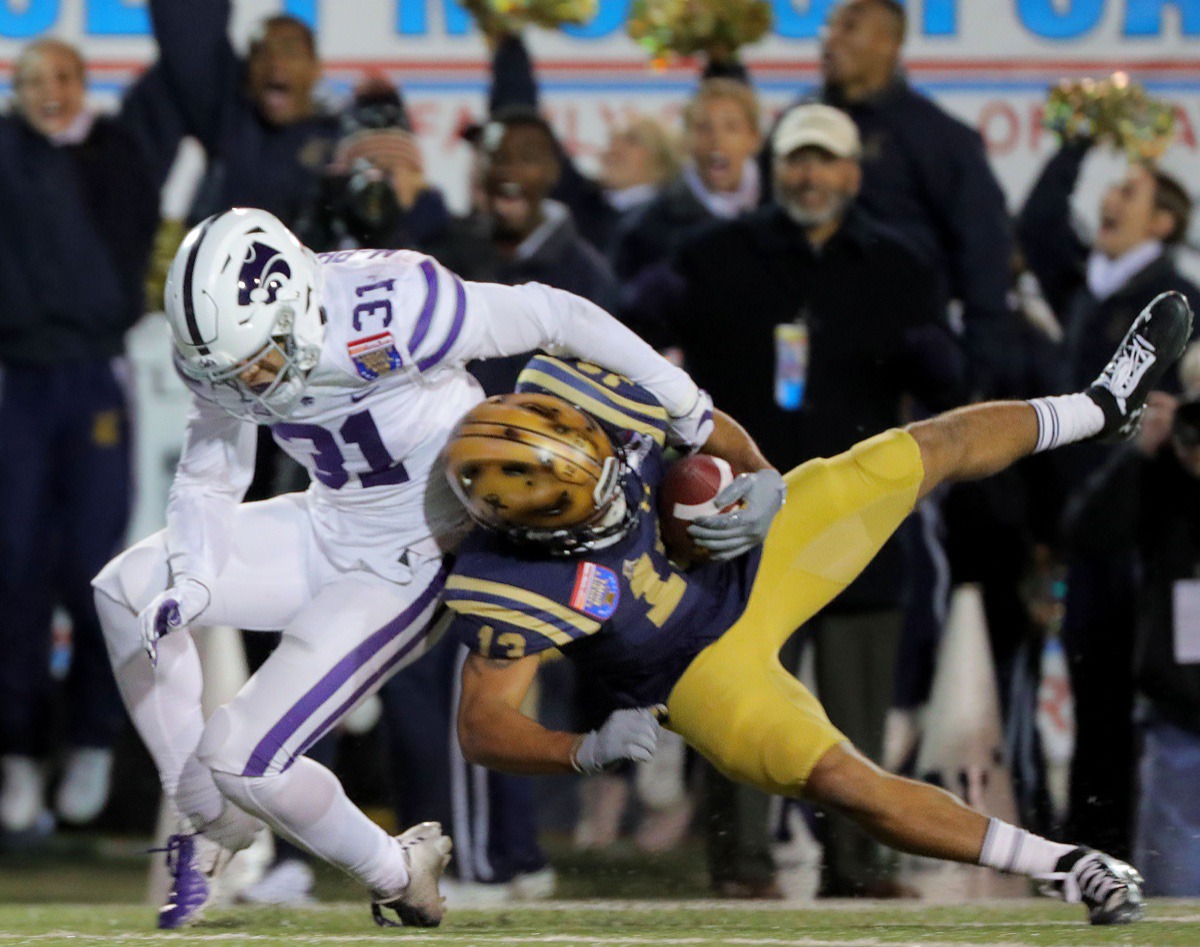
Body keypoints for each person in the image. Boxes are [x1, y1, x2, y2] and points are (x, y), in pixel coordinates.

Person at [442, 290, 1197, 928]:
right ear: (525, 527)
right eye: (590, 505)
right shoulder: (505, 575)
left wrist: (762, 476)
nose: (617, 497)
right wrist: (581, 748)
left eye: (611, 474)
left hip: (751, 555)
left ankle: (1100, 406)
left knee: (922, 447)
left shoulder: (579, 390)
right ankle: (1068, 865)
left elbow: (702, 421)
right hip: (699, 671)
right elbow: (482, 726)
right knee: (848, 782)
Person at [90, 208, 716, 928]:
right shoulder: (223, 350)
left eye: (261, 360)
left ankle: (396, 870)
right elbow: (208, 474)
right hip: (324, 521)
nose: (253, 384)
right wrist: (196, 578)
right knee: (123, 590)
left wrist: (682, 400)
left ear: (295, 302)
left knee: (242, 756)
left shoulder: (395, 306)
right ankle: (205, 816)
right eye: (233, 371)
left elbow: (552, 312)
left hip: (407, 558)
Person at [0, 37, 183, 833]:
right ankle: (14, 752)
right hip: (17, 378)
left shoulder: (118, 150)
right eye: (34, 80)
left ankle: (92, 738)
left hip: (97, 377)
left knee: (98, 568)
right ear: (16, 88)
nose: (50, 93)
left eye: (64, 78)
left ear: (85, 83)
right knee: (13, 569)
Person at [1017, 144, 1199, 858]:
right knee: (1093, 698)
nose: (1110, 201)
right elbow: (1036, 225)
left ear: (1164, 220)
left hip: (1147, 541)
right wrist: (1078, 139)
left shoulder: (1179, 301)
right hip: (1084, 534)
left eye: (1130, 191)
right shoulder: (1091, 292)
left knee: (1135, 700)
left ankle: (1127, 846)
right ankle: (1088, 843)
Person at [1063, 387, 1200, 895]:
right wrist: (1140, 453)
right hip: (1180, 720)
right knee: (1175, 898)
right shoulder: (1160, 480)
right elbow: (1088, 534)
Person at [148, 0, 341, 225]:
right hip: (219, 257)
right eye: (261, 53)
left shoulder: (341, 141)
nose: (275, 62)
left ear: (315, 67)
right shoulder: (227, 121)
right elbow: (189, 28)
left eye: (290, 51)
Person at [612, 79, 762, 286]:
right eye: (703, 127)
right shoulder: (644, 229)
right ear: (687, 139)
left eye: (731, 127)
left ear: (754, 138)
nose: (716, 138)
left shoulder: (783, 214)